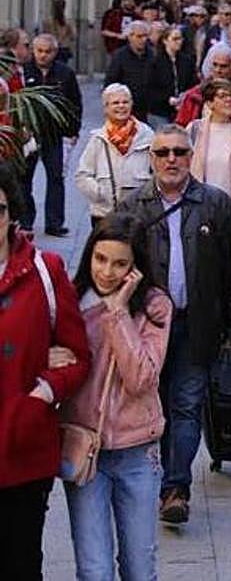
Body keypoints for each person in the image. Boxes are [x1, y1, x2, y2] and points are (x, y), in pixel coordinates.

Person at [118, 124, 231, 526]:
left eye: (179, 152)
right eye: (162, 153)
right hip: (148, 328)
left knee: (187, 405)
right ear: (151, 158)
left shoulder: (216, 205)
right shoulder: (132, 206)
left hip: (197, 324)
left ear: (191, 157)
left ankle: (175, 489)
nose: (171, 160)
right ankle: (153, 481)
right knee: (154, 406)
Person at [61, 214, 172, 581]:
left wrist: (118, 313)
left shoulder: (155, 306)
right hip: (84, 448)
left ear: (135, 268)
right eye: (100, 259)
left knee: (139, 567)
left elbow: (141, 378)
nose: (107, 272)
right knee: (94, 569)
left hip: (137, 450)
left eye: (120, 263)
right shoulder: (72, 301)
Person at [0, 164, 90, 577]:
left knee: (20, 564)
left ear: (11, 212)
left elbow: (79, 356)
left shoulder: (45, 270)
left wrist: (46, 390)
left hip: (24, 447)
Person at [22, 33, 82, 236]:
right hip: (29, 134)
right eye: (39, 51)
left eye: (48, 51)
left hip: (54, 134)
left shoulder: (65, 73)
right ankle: (25, 221)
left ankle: (54, 223)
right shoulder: (24, 71)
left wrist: (73, 131)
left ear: (55, 52)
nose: (43, 55)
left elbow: (75, 103)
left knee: (56, 177)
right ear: (33, 51)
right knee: (24, 179)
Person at [75, 83, 155, 225]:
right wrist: (99, 193)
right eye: (115, 103)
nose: (121, 106)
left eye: (125, 102)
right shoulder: (98, 138)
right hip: (104, 214)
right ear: (106, 108)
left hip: (138, 214)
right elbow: (82, 175)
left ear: (131, 104)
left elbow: (158, 171)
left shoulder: (147, 135)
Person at [184, 78, 231, 235]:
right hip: (202, 204)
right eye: (222, 96)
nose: (228, 100)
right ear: (209, 103)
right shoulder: (194, 129)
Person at [147, 25, 198, 128]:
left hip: (183, 109)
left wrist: (184, 96)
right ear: (165, 41)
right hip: (160, 111)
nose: (179, 42)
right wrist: (168, 99)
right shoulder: (154, 62)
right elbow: (149, 88)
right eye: (175, 39)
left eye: (181, 38)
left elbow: (193, 83)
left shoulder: (187, 61)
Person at [105, 21, 155, 121]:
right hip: (127, 108)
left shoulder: (153, 55)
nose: (143, 40)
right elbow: (111, 81)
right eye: (139, 36)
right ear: (130, 37)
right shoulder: (120, 56)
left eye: (145, 36)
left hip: (150, 108)